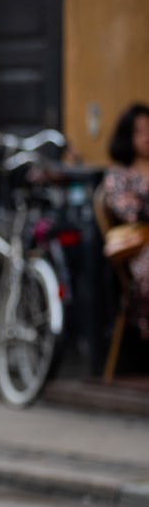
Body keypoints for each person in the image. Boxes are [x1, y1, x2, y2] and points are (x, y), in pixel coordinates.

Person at [102, 101, 149, 342]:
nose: (147, 136)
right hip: (139, 248)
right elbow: (131, 213)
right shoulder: (119, 176)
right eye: (140, 131)